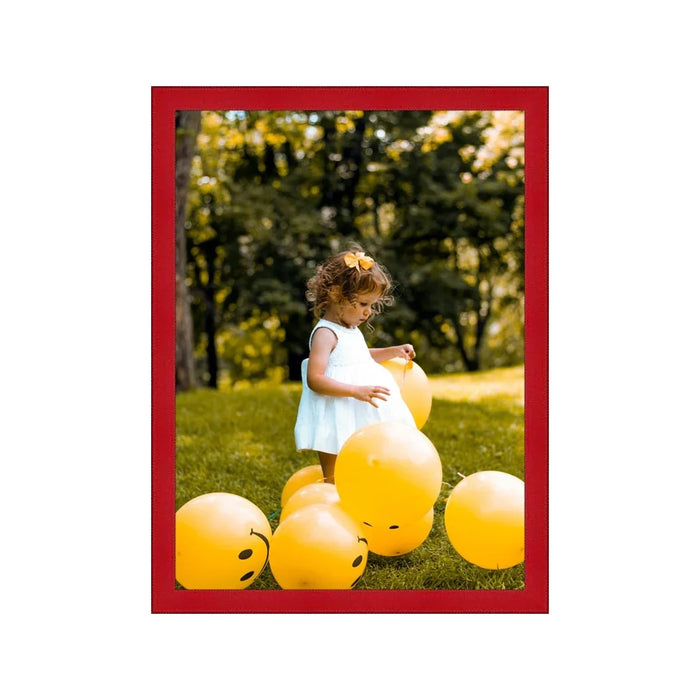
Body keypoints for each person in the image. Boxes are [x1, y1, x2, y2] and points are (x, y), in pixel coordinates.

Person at [294, 245, 417, 483]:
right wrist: (355, 391)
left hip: (356, 407)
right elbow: (315, 379)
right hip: (336, 409)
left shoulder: (349, 329)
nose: (368, 312)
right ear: (336, 294)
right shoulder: (325, 333)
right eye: (362, 304)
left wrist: (393, 351)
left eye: (371, 305)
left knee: (363, 463)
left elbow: (358, 358)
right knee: (335, 473)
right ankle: (330, 491)